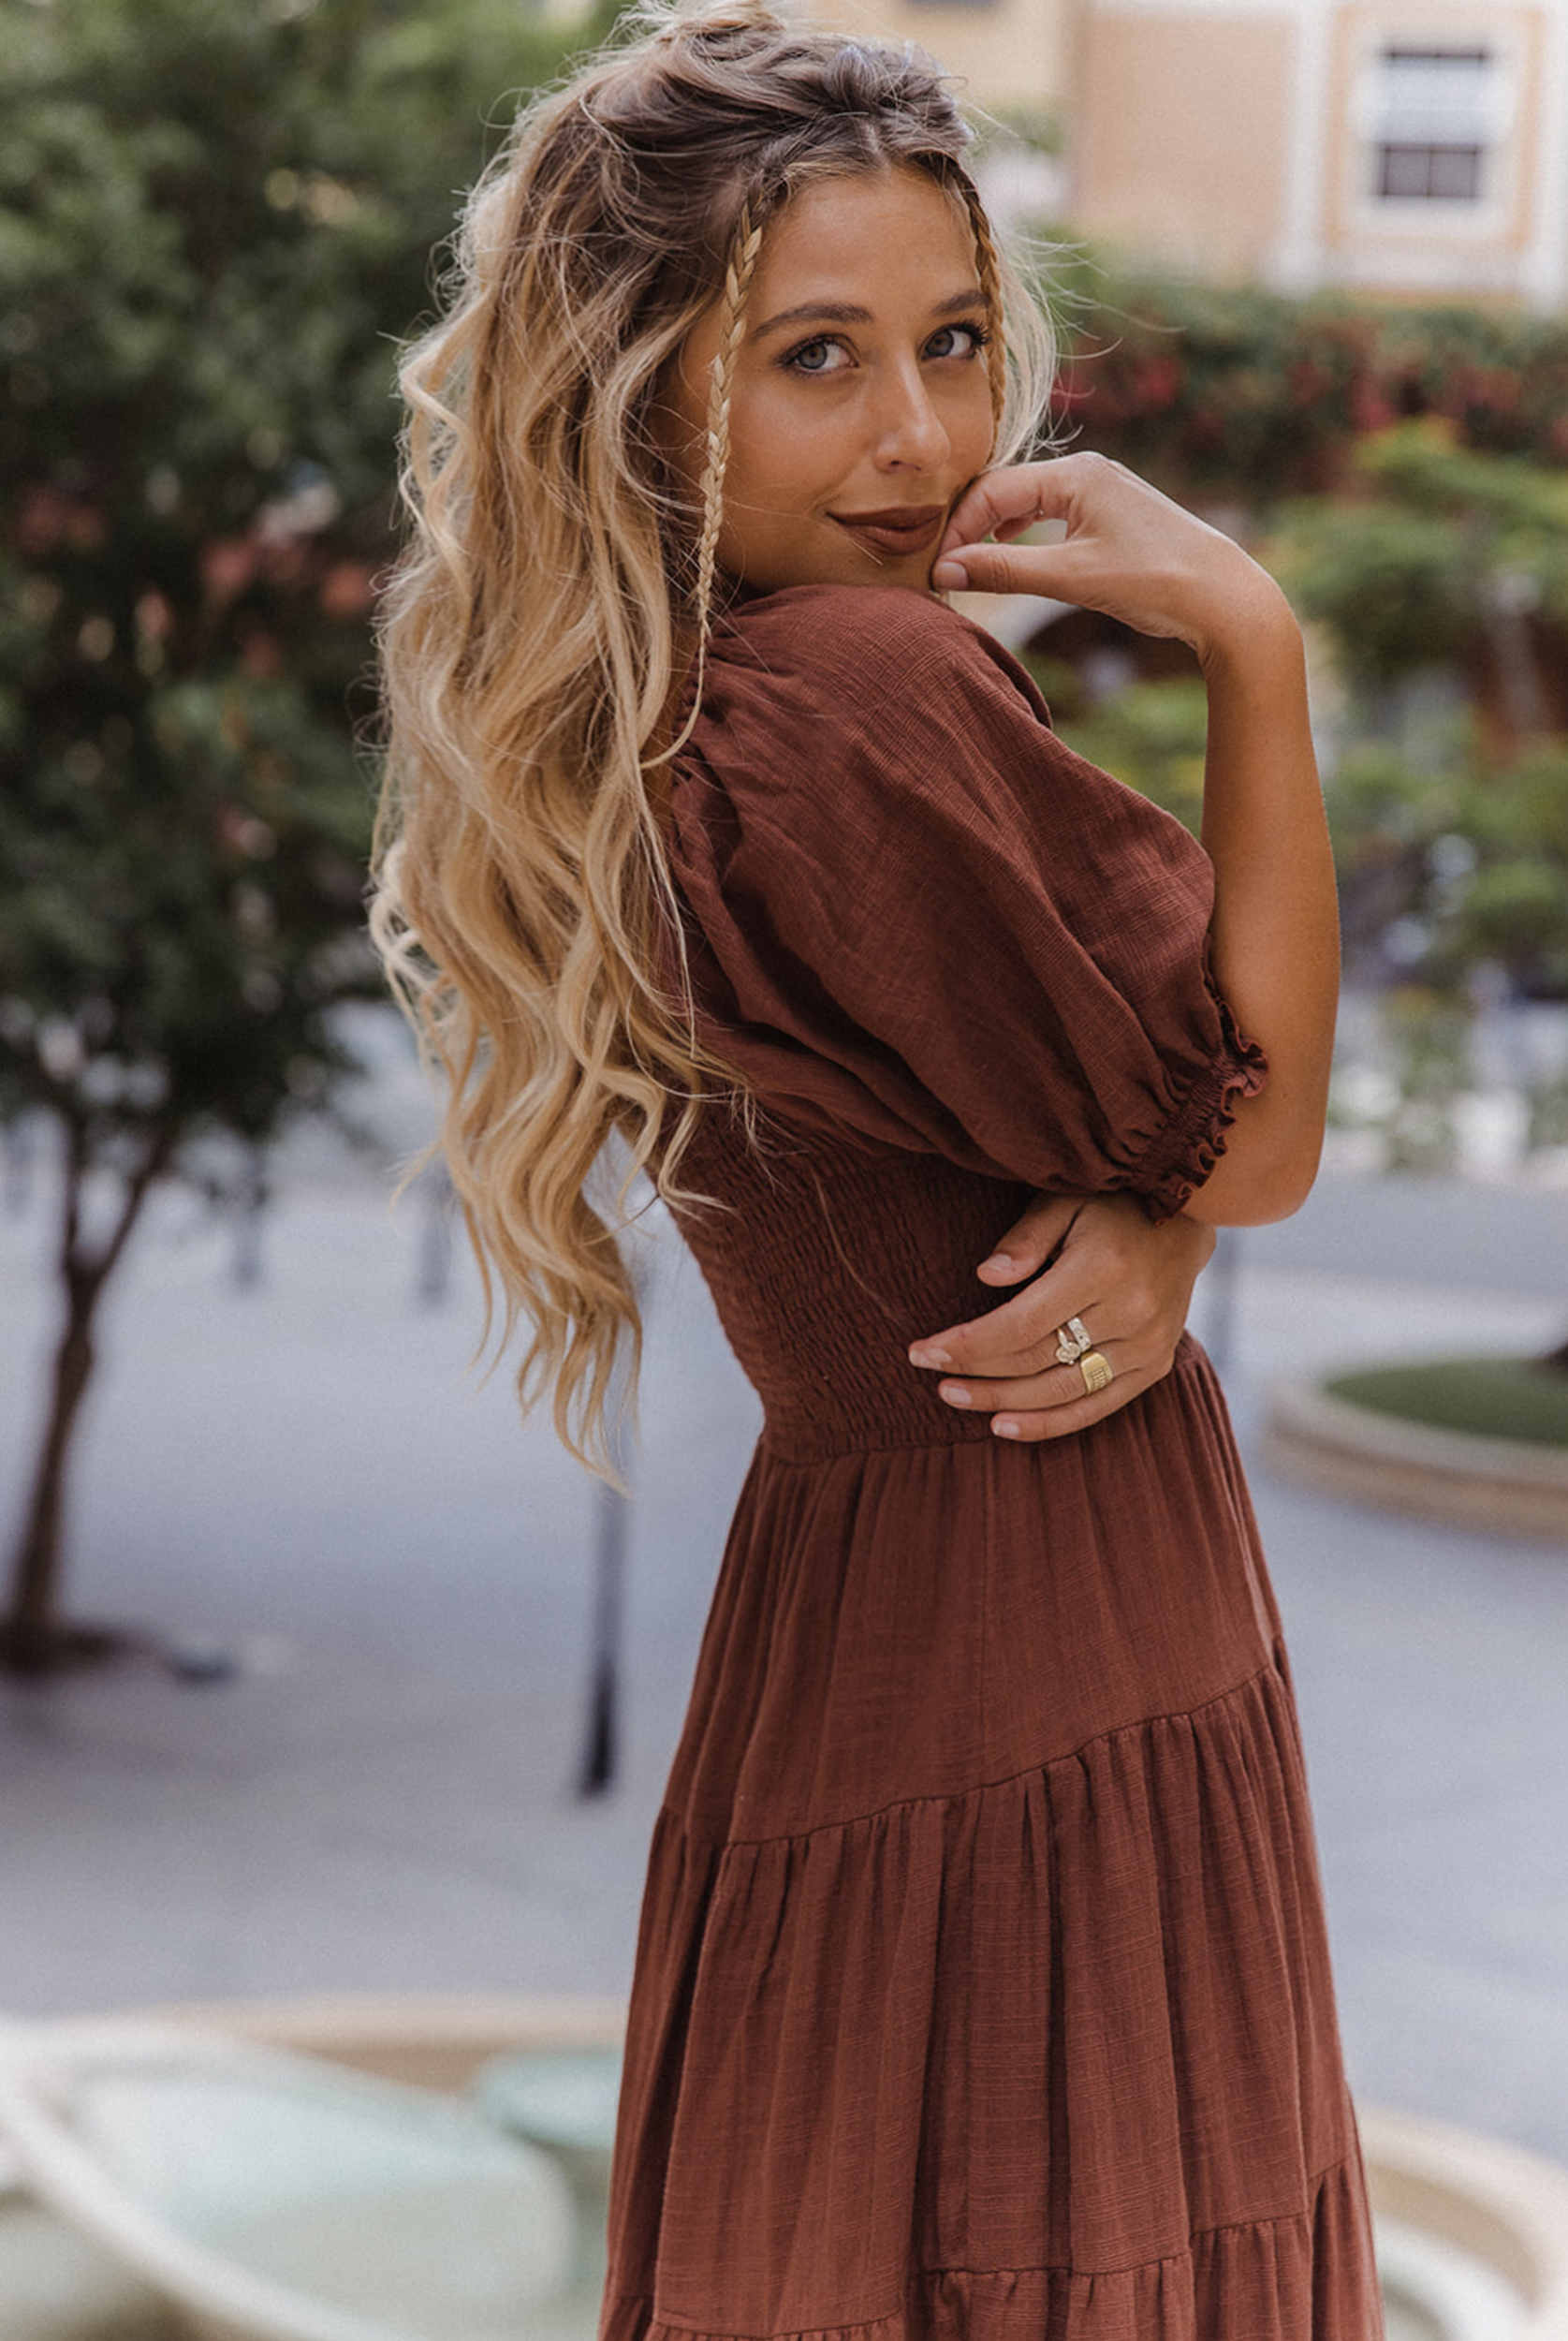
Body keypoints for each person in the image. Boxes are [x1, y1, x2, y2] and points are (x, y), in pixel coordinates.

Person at [372, 5, 1382, 2336]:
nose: (923, 437)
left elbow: (1128, 1175)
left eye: (947, 340)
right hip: (1046, 1639)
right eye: (814, 357)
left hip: (855, 1639)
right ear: (637, 388)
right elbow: (1273, 1137)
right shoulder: (864, 702)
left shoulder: (668, 713)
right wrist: (1250, 636)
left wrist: (1155, 1223)